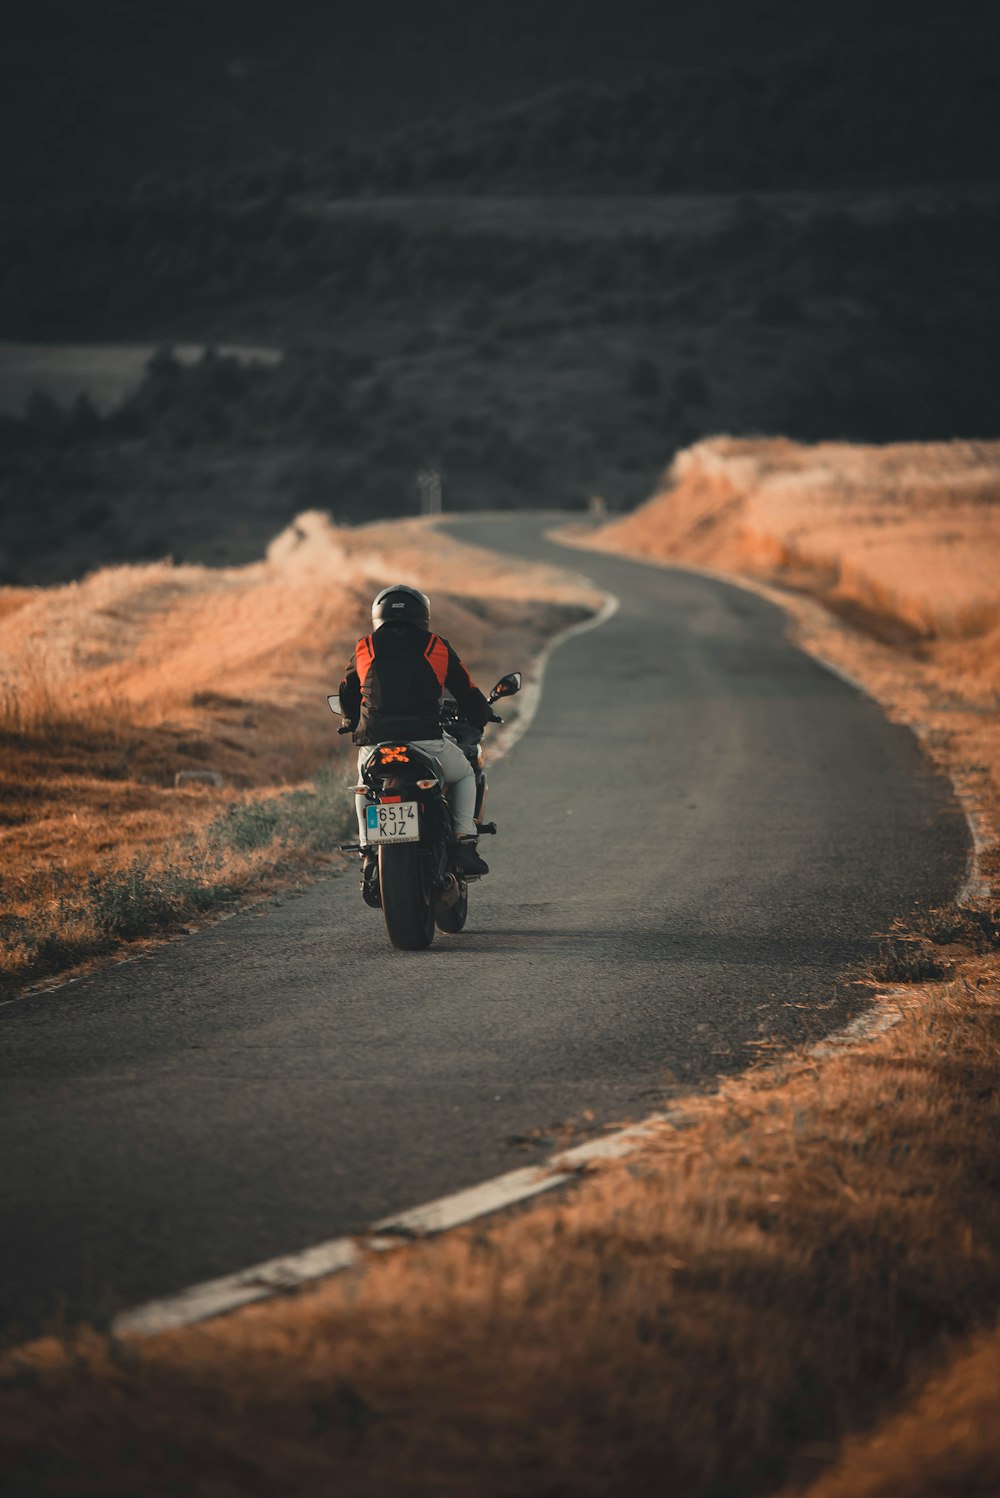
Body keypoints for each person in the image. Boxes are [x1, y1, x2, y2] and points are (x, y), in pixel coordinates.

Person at [338, 584, 492, 878]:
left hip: (375, 742)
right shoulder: (436, 646)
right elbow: (467, 690)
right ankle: (463, 842)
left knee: (364, 785)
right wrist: (479, 716)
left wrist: (350, 720)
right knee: (464, 775)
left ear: (377, 616)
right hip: (426, 740)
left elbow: (347, 692)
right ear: (422, 615)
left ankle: (367, 849)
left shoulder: (365, 647)